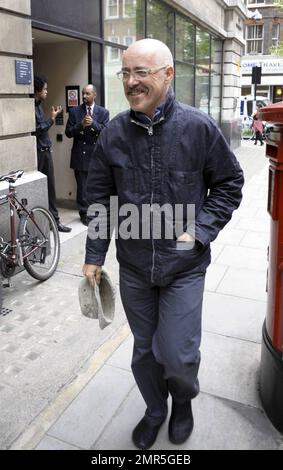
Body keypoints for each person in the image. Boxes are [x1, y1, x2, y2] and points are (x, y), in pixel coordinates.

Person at [83, 39, 244, 449]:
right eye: (126, 73)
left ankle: (183, 399)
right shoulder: (113, 133)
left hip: (184, 266)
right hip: (135, 268)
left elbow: (229, 183)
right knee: (144, 351)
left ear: (168, 74)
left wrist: (200, 232)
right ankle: (156, 409)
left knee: (177, 353)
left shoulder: (198, 127)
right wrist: (94, 256)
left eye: (142, 72)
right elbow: (100, 198)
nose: (131, 82)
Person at [65, 85, 109, 225]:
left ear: (94, 95)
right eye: (83, 93)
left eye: (87, 94)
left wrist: (94, 124)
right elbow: (68, 132)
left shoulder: (103, 112)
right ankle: (84, 214)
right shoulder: (74, 111)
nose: (84, 96)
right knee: (83, 188)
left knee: (96, 188)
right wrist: (81, 125)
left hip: (97, 157)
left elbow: (107, 132)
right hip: (80, 156)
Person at [34, 74, 72, 232]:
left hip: (45, 150)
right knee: (43, 188)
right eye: (44, 89)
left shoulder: (39, 105)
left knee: (51, 188)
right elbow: (37, 129)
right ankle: (45, 223)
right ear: (37, 90)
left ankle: (55, 222)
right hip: (38, 152)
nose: (47, 92)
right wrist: (52, 118)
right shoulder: (31, 106)